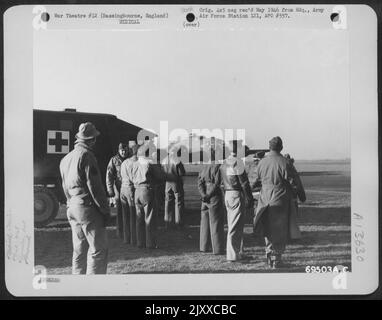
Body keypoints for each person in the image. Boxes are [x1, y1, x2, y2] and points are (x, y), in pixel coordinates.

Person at [59, 122, 109, 274]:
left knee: (79, 250)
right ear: (91, 139)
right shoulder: (87, 156)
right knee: (98, 249)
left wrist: (71, 202)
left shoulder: (66, 159)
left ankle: (78, 284)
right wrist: (105, 209)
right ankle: (94, 286)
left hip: (72, 206)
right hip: (87, 208)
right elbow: (95, 187)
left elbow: (64, 187)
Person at [253, 137, 306, 269]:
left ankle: (269, 255)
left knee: (267, 229)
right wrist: (301, 195)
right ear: (281, 147)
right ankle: (276, 260)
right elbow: (295, 182)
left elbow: (253, 182)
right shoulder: (285, 162)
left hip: (264, 200)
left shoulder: (261, 163)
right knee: (279, 231)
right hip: (280, 200)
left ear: (269, 147)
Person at [220, 147, 254, 262]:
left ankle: (238, 253)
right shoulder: (237, 162)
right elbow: (244, 183)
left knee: (234, 225)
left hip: (228, 194)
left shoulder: (224, 163)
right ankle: (232, 256)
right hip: (236, 194)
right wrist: (249, 197)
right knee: (235, 226)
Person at [131, 145, 166, 248]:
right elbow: (160, 176)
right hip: (147, 190)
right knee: (149, 217)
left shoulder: (134, 163)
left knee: (139, 218)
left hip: (137, 190)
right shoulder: (150, 163)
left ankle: (140, 242)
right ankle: (150, 243)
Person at [198, 148, 225, 255]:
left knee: (204, 222)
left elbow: (199, 182)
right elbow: (217, 183)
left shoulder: (204, 166)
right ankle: (217, 248)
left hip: (204, 195)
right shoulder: (218, 166)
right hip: (214, 196)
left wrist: (203, 195)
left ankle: (203, 246)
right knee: (216, 222)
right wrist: (209, 195)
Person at [106, 143, 129, 239]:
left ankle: (128, 231)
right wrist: (110, 190)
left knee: (130, 210)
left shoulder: (130, 159)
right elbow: (109, 175)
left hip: (129, 187)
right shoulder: (114, 160)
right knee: (119, 210)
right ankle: (120, 232)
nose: (123, 152)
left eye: (125, 150)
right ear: (119, 151)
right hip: (118, 188)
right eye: (121, 150)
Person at [283, 154, 306, 240]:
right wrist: (302, 196)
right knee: (293, 216)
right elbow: (298, 183)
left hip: (283, 195)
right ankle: (292, 235)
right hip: (292, 196)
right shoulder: (292, 168)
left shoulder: (282, 166)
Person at [120, 145, 139, 245]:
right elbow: (135, 178)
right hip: (131, 189)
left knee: (125, 216)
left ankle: (126, 238)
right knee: (133, 215)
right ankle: (133, 239)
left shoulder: (124, 162)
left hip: (122, 189)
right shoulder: (136, 163)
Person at [162, 150, 186, 229]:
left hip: (167, 183)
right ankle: (178, 223)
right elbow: (182, 172)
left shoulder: (164, 160)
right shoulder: (177, 160)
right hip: (176, 182)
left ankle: (167, 223)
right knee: (178, 202)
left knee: (167, 202)